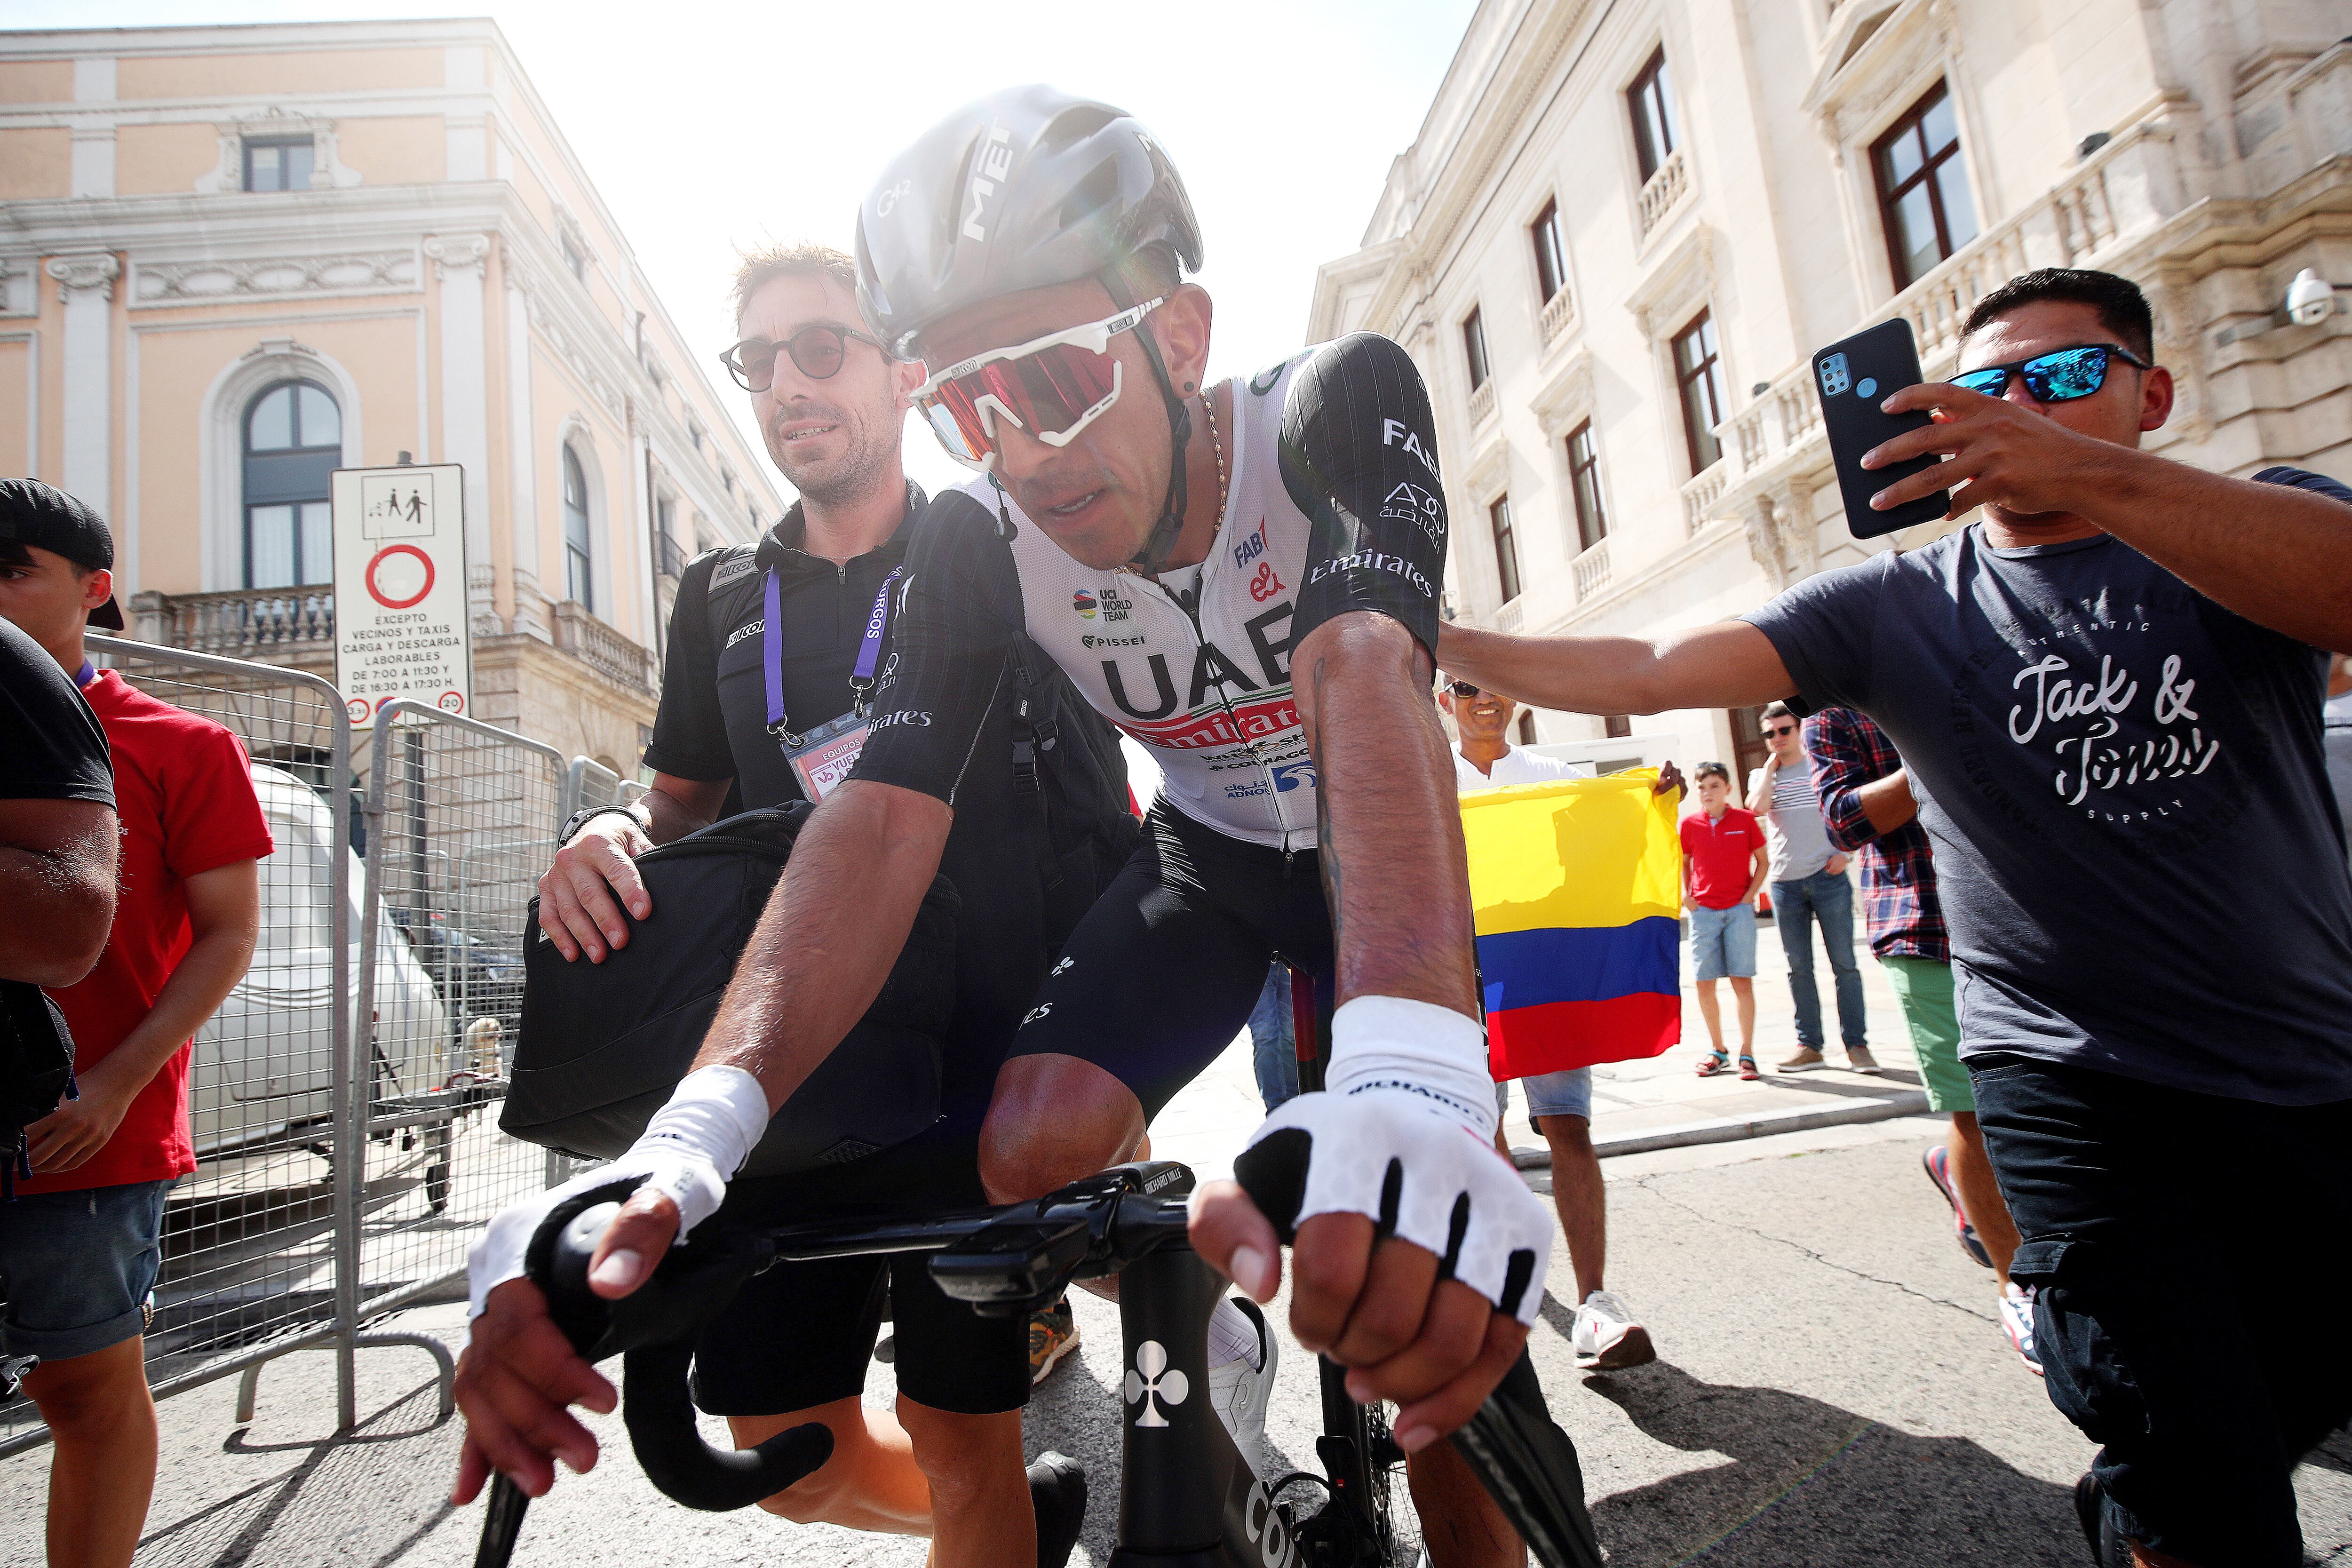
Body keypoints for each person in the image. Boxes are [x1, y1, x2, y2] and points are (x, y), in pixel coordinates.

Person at [459, 88, 1565, 1568]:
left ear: (1177, 337)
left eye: (1048, 379)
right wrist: (690, 1132)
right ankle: (1213, 1371)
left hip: (1367, 852)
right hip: (1211, 861)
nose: (1019, 449)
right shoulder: (977, 530)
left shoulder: (1327, 401)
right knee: (1027, 1145)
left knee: (1414, 1298)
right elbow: (876, 819)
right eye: (966, 403)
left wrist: (1419, 1077)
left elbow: (1366, 672)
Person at [1434, 266, 2352, 1568]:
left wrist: (2086, 479)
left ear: (2153, 393)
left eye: (2066, 375)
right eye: (1987, 386)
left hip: (2306, 1069)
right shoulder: (1895, 601)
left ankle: (2132, 1484)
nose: (2019, 404)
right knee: (2209, 1476)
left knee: (2292, 1393)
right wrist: (1429, 628)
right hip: (2075, 1084)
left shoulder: (2252, 525)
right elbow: (1647, 668)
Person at [497, 243, 1133, 1566]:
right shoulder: (718, 592)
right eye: (761, 360)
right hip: (807, 1075)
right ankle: (1031, 1512)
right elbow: (682, 800)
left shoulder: (988, 540)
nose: (788, 383)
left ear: (905, 371)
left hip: (984, 1058)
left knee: (965, 1433)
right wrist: (607, 829)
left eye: (822, 347)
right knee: (788, 1443)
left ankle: (1034, 1484)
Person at [0, 480, 271, 1568]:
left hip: (90, 1129)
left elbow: (227, 934)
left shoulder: (182, 744)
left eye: (14, 565)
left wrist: (116, 1082)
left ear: (93, 589)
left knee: (86, 1388)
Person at [1442, 674, 1661, 1374]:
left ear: (1519, 701)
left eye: (1497, 688)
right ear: (1444, 700)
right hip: (1460, 969)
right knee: (1485, 1133)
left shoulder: (1555, 776)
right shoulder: (1426, 774)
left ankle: (1596, 1302)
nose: (1485, 699)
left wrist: (1648, 807)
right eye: (1467, 687)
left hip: (1543, 967)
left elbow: (1605, 850)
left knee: (1569, 1125)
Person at [1805, 704, 2033, 1370]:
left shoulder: (1972, 677)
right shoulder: (1836, 718)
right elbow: (1845, 823)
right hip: (1924, 926)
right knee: (1977, 1109)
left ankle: (1969, 1188)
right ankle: (2015, 1286)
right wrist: (1933, 753)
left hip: (2020, 913)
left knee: (2047, 1099)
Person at [1746, 701, 1875, 1073]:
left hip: (1828, 877)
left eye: (1784, 730)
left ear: (1799, 730)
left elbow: (1853, 809)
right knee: (1798, 968)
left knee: (1845, 965)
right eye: (1770, 733)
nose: (1778, 739)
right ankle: (1810, 1045)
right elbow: (1757, 807)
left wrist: (1846, 851)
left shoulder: (1821, 766)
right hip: (1786, 883)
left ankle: (1857, 1045)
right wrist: (1771, 767)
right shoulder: (1763, 775)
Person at [1677, 762, 1770, 1079]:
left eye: (1714, 786)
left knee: (1741, 981)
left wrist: (1751, 895)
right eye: (1702, 787)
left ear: (1728, 789)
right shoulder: (1689, 824)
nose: (1707, 793)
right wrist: (1686, 896)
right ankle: (1718, 1050)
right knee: (1704, 983)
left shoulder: (1745, 820)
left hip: (1739, 911)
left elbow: (1763, 860)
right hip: (1704, 913)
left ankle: (1748, 1052)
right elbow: (1684, 863)